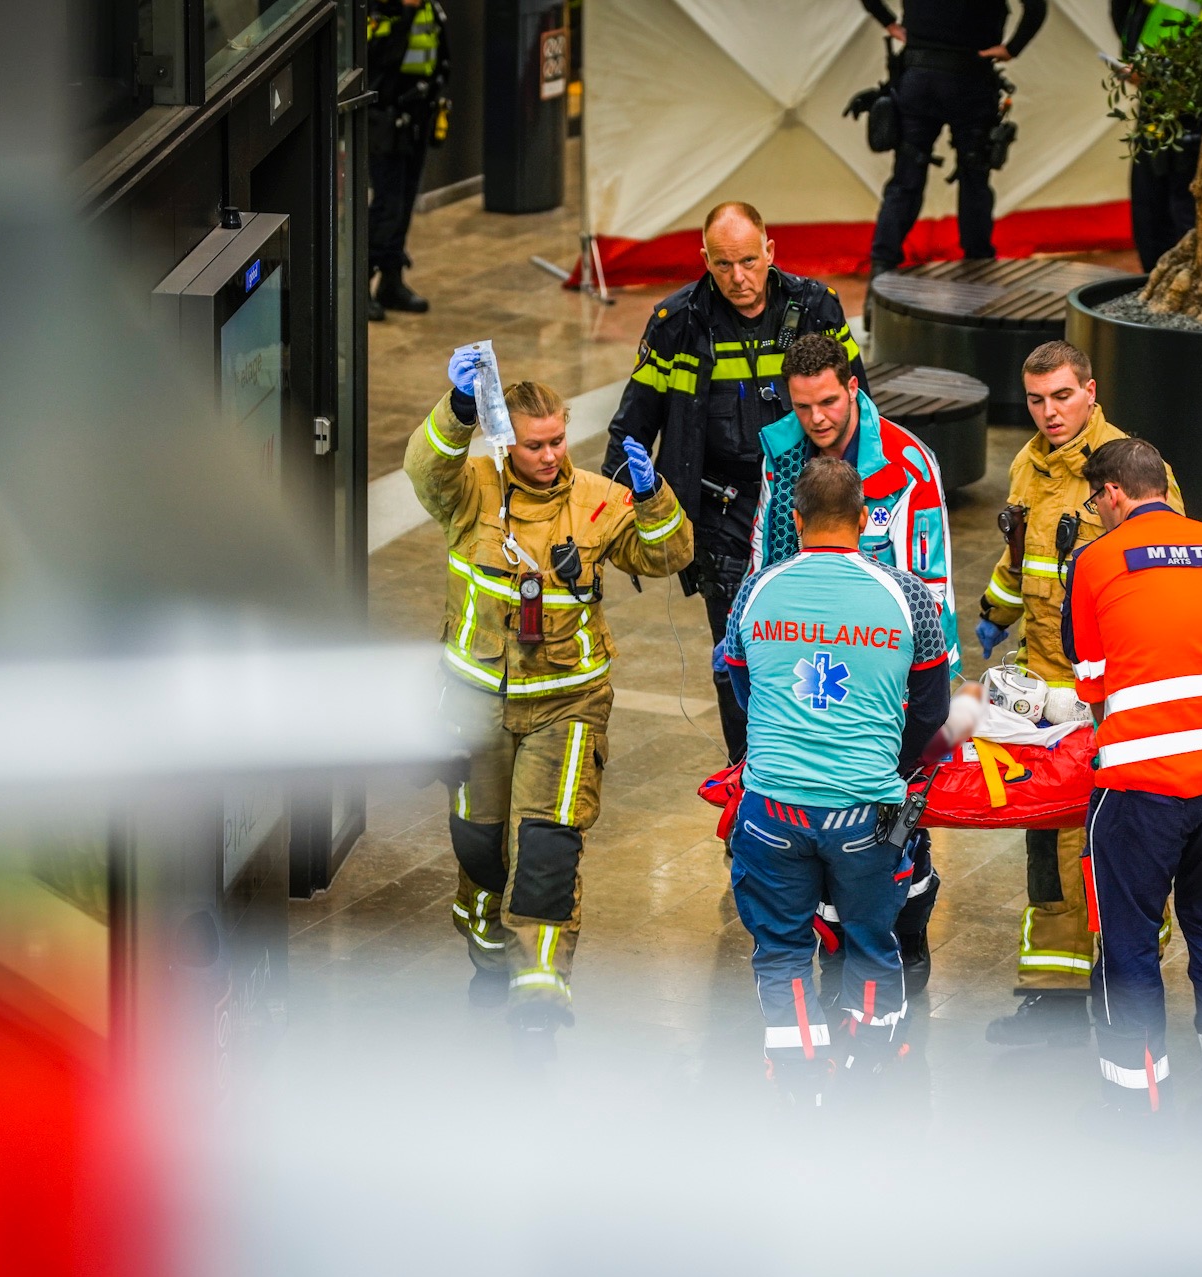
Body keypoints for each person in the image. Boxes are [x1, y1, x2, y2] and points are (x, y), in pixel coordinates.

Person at [406, 352, 694, 1049]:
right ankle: (485, 936)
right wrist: (459, 404)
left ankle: (542, 985)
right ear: (509, 442)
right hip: (475, 702)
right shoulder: (468, 487)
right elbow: (423, 464)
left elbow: (670, 554)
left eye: (558, 439)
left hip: (569, 701)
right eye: (534, 444)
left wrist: (653, 497)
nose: (549, 454)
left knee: (550, 839)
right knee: (480, 841)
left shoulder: (598, 498)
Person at [720, 457, 964, 1107]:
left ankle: (799, 1077)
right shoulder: (908, 595)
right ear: (864, 520)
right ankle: (871, 1068)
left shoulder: (758, 589)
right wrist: (895, 780)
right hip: (874, 811)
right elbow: (934, 714)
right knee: (874, 943)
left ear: (795, 521)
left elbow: (740, 685)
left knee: (781, 950)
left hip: (771, 810)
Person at [604, 202, 865, 764]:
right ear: (704, 260)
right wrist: (598, 521)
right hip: (721, 519)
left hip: (811, 511)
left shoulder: (816, 308)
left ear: (771, 251)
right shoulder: (677, 325)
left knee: (825, 648)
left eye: (749, 261)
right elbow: (631, 427)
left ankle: (821, 774)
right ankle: (749, 786)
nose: (738, 278)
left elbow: (861, 409)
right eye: (723, 265)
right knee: (738, 659)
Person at [1064, 437, 1202, 1125]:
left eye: (1096, 500)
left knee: (1127, 941)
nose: (1095, 513)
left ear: (1115, 494)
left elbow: (1092, 683)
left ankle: (1136, 1096)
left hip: (1142, 786)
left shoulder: (1096, 560)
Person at [978, 340, 1181, 1047]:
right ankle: (1052, 988)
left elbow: (1163, 578)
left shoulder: (1130, 468)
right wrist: (991, 611)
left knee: (1120, 842)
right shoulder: (1026, 467)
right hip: (1041, 693)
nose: (1049, 412)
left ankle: (1126, 979)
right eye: (1035, 400)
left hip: (1111, 694)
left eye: (1062, 396)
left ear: (1091, 392)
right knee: (1047, 844)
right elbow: (1019, 565)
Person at [745, 332, 960, 993]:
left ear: (853, 388)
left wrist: (923, 723)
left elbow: (932, 593)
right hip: (802, 684)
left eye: (830, 402)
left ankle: (908, 935)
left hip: (880, 691)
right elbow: (763, 560)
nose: (818, 420)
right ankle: (840, 951)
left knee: (899, 833)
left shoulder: (904, 469)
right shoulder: (782, 459)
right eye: (804, 406)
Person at [861, 0, 1048, 278]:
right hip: (970, 80)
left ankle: (881, 269)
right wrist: (1012, 48)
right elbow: (1036, 7)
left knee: (905, 180)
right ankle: (979, 268)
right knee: (974, 176)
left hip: (918, 77)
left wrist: (889, 22)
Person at [367, 0, 450, 320]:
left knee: (403, 203)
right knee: (387, 205)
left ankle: (391, 282)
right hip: (385, 121)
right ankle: (362, 283)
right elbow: (376, 60)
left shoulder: (433, 10)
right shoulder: (380, 12)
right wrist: (403, 14)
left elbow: (442, 60)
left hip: (418, 120)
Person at [1110, 0, 1201, 270]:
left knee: (1183, 206)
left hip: (1191, 109)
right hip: (1154, 104)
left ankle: (1184, 279)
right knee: (1148, 203)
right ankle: (1153, 280)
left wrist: (1161, 73)